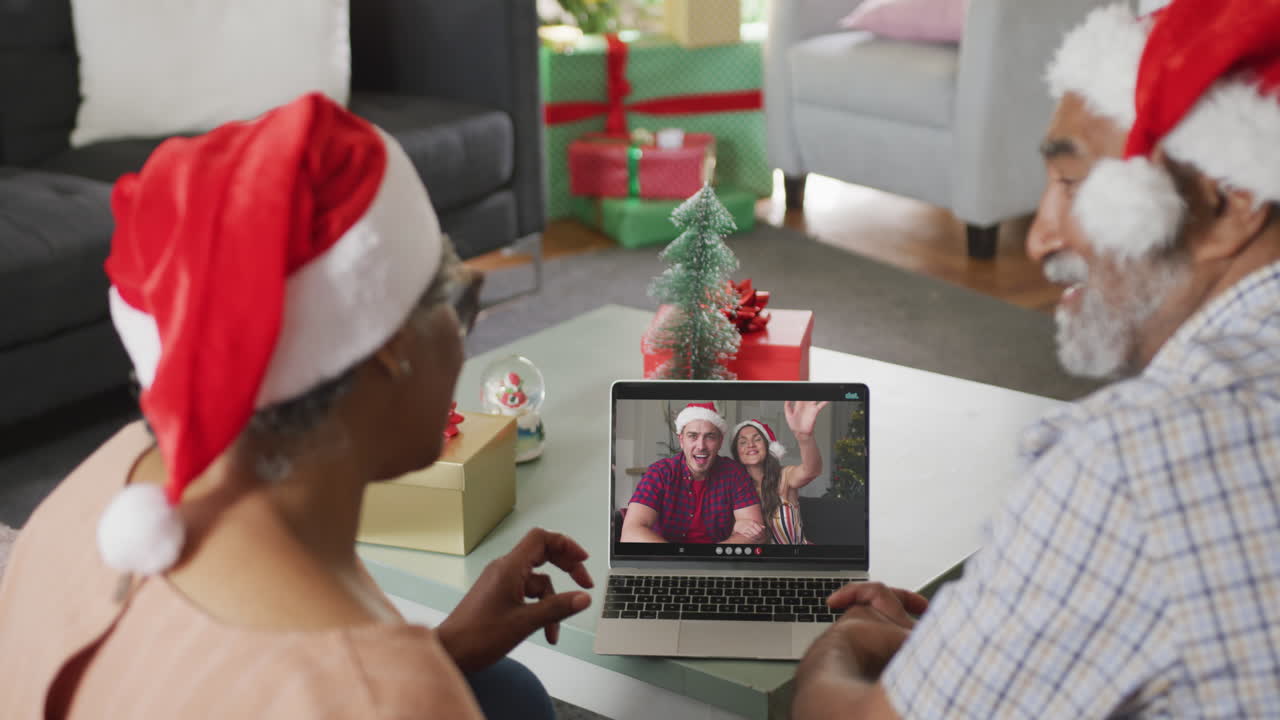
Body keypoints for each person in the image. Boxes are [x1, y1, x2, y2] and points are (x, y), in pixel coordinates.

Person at [0, 93, 594, 719]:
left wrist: (437, 651)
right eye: (461, 303)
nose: (466, 333)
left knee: (513, 692)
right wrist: (412, 675)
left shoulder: (98, 481)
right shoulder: (387, 698)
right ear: (391, 346)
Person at [792, 1, 1280, 717]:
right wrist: (982, 642)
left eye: (1074, 184)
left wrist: (837, 650)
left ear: (1231, 203)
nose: (1040, 238)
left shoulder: (1131, 464)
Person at [621, 402, 766, 544]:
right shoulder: (659, 473)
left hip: (719, 562)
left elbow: (755, 535)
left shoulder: (734, 473)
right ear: (681, 440)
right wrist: (678, 562)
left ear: (720, 441)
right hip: (667, 563)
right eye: (693, 436)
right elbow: (630, 533)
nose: (701, 446)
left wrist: (712, 561)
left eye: (710, 437)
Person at [729, 400, 830, 544]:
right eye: (743, 442)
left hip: (794, 561)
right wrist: (734, 526)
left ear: (768, 446)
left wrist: (805, 437)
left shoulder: (784, 477)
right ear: (736, 452)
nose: (750, 445)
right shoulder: (733, 488)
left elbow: (811, 470)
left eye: (757, 439)